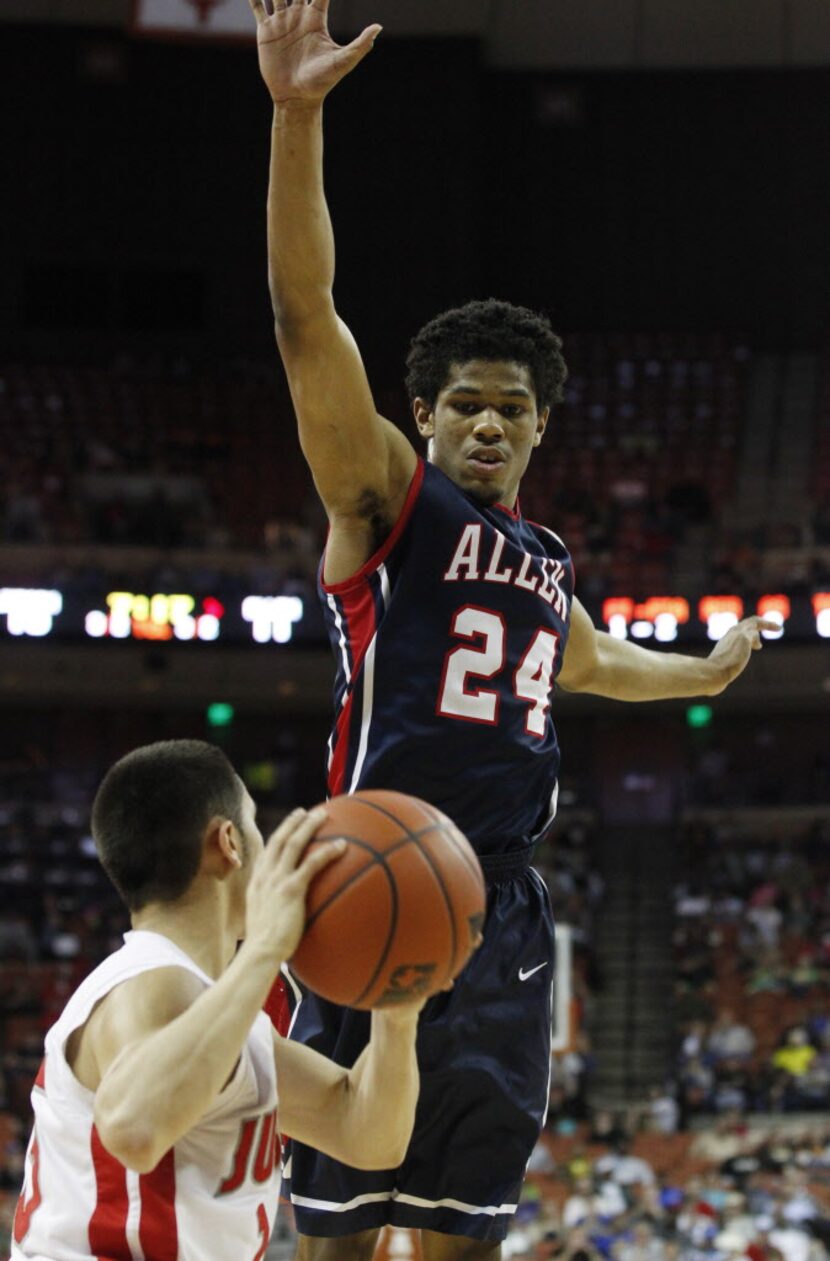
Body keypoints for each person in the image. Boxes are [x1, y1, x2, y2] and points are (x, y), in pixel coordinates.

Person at [248, 2, 777, 1256]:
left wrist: (701, 668)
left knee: (462, 1229)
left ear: (541, 428)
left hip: (497, 910)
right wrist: (296, 116)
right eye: (466, 406)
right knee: (329, 1225)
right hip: (357, 875)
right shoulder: (384, 496)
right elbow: (302, 314)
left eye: (513, 411)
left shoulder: (545, 563)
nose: (488, 426)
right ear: (423, 413)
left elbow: (594, 662)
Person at [10, 740, 423, 1260]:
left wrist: (397, 1012)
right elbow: (134, 1129)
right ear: (228, 841)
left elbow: (365, 1134)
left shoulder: (218, 1017)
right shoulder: (152, 981)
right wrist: (267, 947)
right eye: (254, 825)